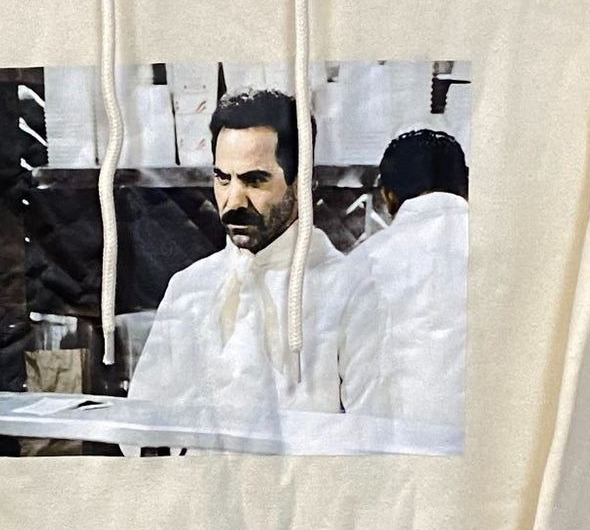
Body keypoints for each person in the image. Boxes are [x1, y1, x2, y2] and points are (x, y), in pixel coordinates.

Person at [124, 88, 391, 440]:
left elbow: (373, 438)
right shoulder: (189, 287)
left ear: (302, 181)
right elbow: (140, 427)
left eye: (254, 180)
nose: (234, 200)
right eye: (223, 178)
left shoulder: (351, 292)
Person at [348, 128, 470, 429]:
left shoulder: (363, 264)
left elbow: (351, 377)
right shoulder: (508, 257)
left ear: (387, 195)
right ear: (466, 187)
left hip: (395, 442)